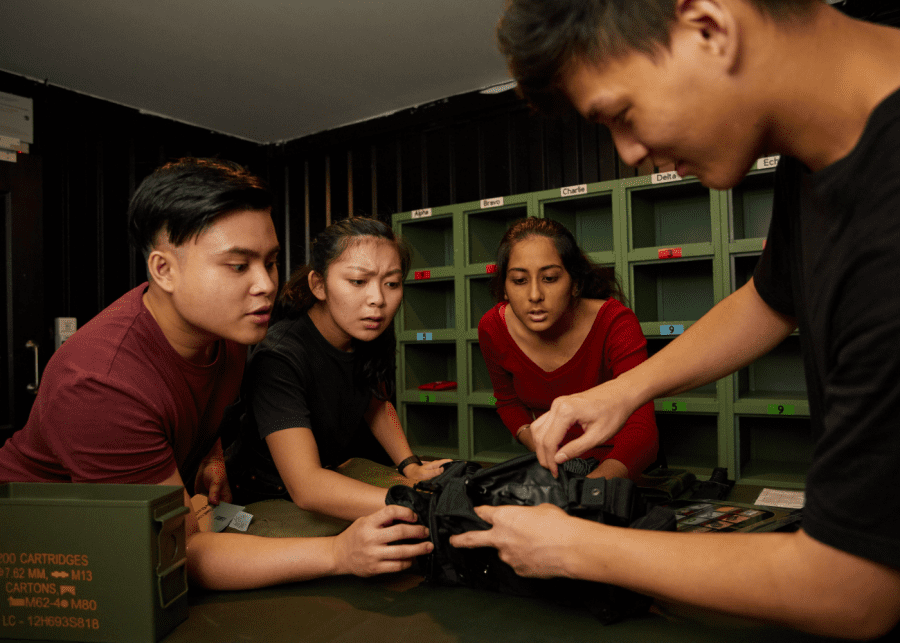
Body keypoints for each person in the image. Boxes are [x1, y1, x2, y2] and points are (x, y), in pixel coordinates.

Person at [451, 0, 900, 638]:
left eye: (622, 116)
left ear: (708, 25)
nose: (629, 153)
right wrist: (620, 391)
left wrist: (578, 547)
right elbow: (770, 300)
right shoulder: (824, 147)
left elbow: (852, 589)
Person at [0, 158, 433, 590]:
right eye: (239, 265)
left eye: (271, 261)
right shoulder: (101, 383)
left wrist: (211, 455)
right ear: (163, 270)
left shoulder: (228, 335)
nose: (266, 284)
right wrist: (340, 553)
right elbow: (182, 555)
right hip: (33, 551)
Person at [232, 216, 450, 521]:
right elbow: (306, 487)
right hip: (268, 498)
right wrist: (421, 504)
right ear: (318, 285)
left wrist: (409, 464)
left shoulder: (369, 329)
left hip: (330, 476)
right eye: (358, 282)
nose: (378, 300)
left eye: (391, 283)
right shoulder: (279, 357)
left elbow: (374, 399)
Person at [478, 217, 657, 480]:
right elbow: (507, 402)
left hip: (619, 467)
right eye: (519, 280)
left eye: (550, 278)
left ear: (574, 283)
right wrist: (544, 450)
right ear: (504, 287)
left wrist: (590, 488)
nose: (535, 295)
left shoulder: (616, 323)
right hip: (554, 469)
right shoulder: (492, 328)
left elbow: (642, 429)